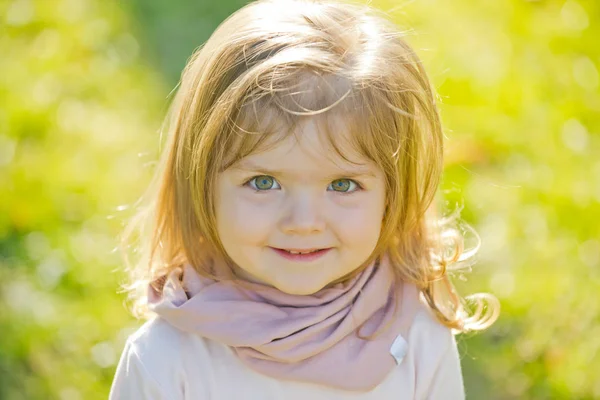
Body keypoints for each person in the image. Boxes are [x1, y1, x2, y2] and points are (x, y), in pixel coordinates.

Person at [109, 0, 499, 398]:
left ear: (391, 197)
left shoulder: (417, 336)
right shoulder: (166, 359)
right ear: (200, 183)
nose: (303, 221)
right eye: (263, 183)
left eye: (343, 185)